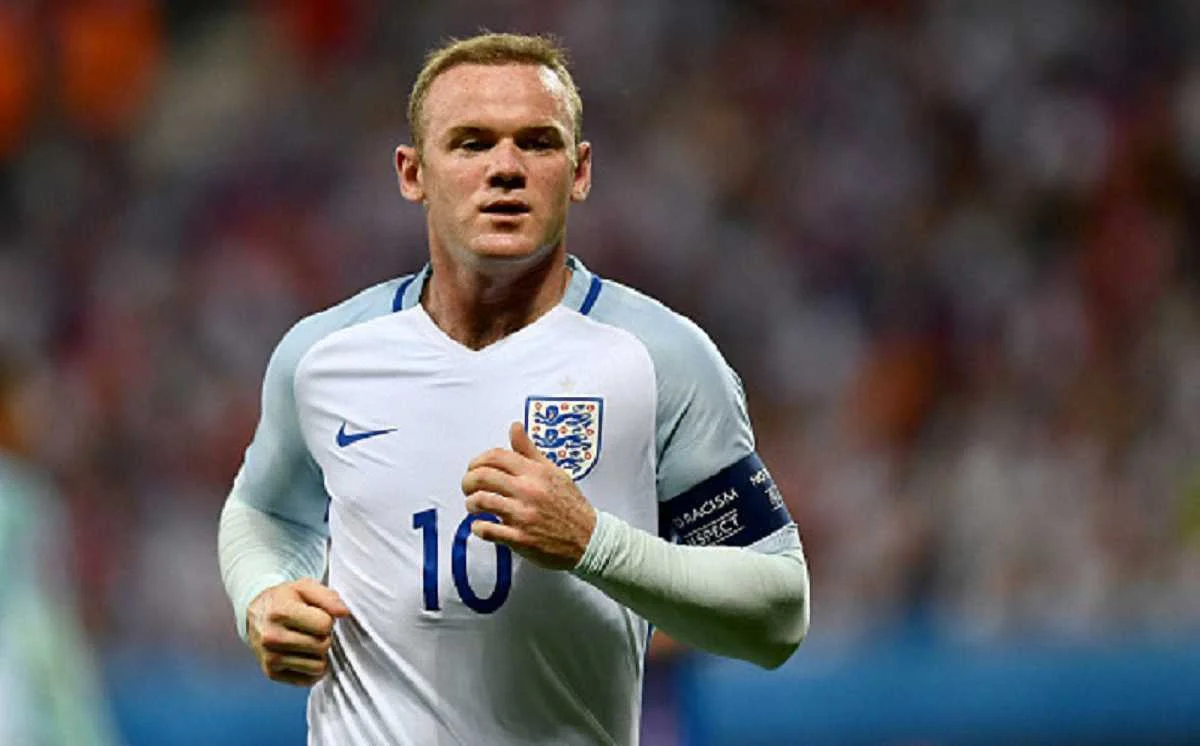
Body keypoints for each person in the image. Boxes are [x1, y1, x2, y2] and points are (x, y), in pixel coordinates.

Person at [218, 31, 810, 745]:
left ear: (580, 171)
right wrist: (262, 595)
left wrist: (593, 543)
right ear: (413, 173)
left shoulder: (661, 359)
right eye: (471, 143)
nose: (506, 168)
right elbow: (263, 511)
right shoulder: (323, 355)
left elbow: (778, 614)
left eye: (537, 142)